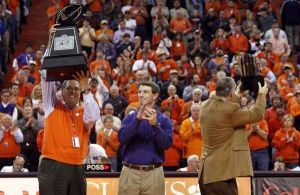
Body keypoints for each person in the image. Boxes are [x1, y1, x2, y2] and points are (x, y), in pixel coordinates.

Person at [198, 77, 268, 195]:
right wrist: (261, 95)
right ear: (231, 92)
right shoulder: (229, 111)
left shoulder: (204, 106)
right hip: (221, 174)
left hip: (206, 173)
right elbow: (257, 114)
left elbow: (226, 105)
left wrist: (236, 94)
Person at [118, 81, 173, 195]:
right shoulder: (130, 117)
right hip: (129, 172)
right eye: (139, 92)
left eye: (145, 92)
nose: (141, 95)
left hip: (153, 174)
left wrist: (155, 126)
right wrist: (137, 121)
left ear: (155, 95)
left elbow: (166, 144)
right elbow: (122, 139)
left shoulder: (164, 120)